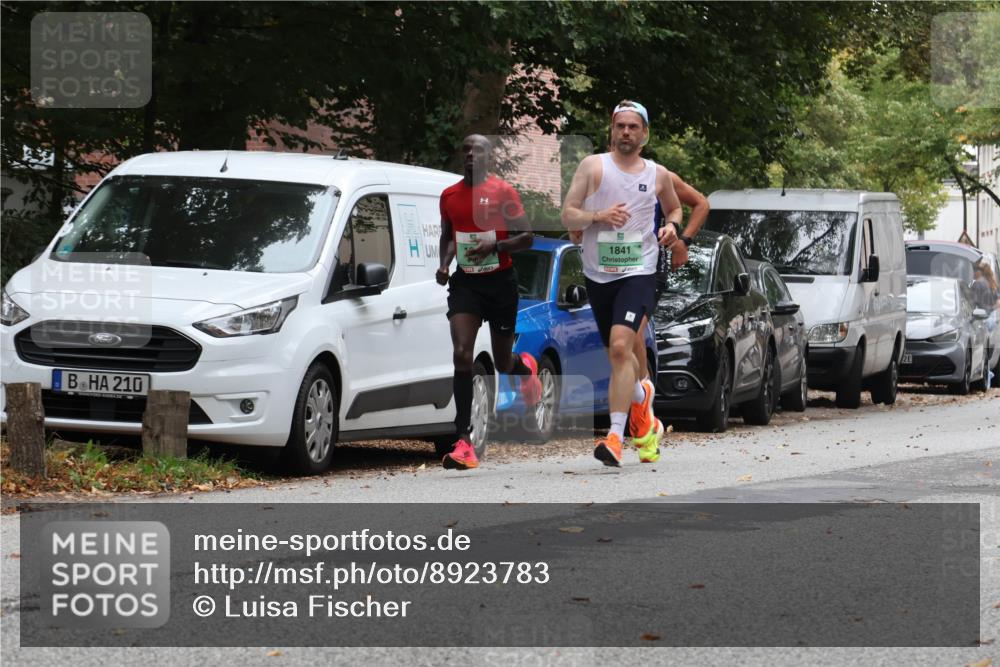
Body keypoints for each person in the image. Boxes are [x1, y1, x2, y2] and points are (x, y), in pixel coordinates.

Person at [561, 100, 683, 466]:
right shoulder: (593, 166)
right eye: (620, 126)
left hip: (640, 271)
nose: (626, 132)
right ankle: (641, 399)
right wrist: (598, 215)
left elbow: (675, 208)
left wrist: (672, 228)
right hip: (599, 274)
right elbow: (568, 212)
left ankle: (615, 437)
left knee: (619, 347)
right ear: (612, 131)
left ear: (644, 134)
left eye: (633, 127)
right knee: (620, 355)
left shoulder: (657, 174)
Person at [437, 134, 543, 470]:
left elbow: (527, 237)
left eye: (477, 150)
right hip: (466, 282)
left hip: (500, 283)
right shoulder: (449, 196)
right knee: (461, 354)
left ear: (489, 157)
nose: (470, 155)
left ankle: (525, 367)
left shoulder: (503, 193)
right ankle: (463, 441)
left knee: (501, 362)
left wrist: (495, 248)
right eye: (466, 150)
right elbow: (448, 235)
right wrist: (443, 264)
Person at [633, 177, 710, 391]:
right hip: (608, 269)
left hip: (648, 269)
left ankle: (643, 403)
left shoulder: (657, 175)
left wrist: (683, 242)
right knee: (615, 338)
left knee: (631, 330)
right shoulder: (599, 174)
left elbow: (701, 203)